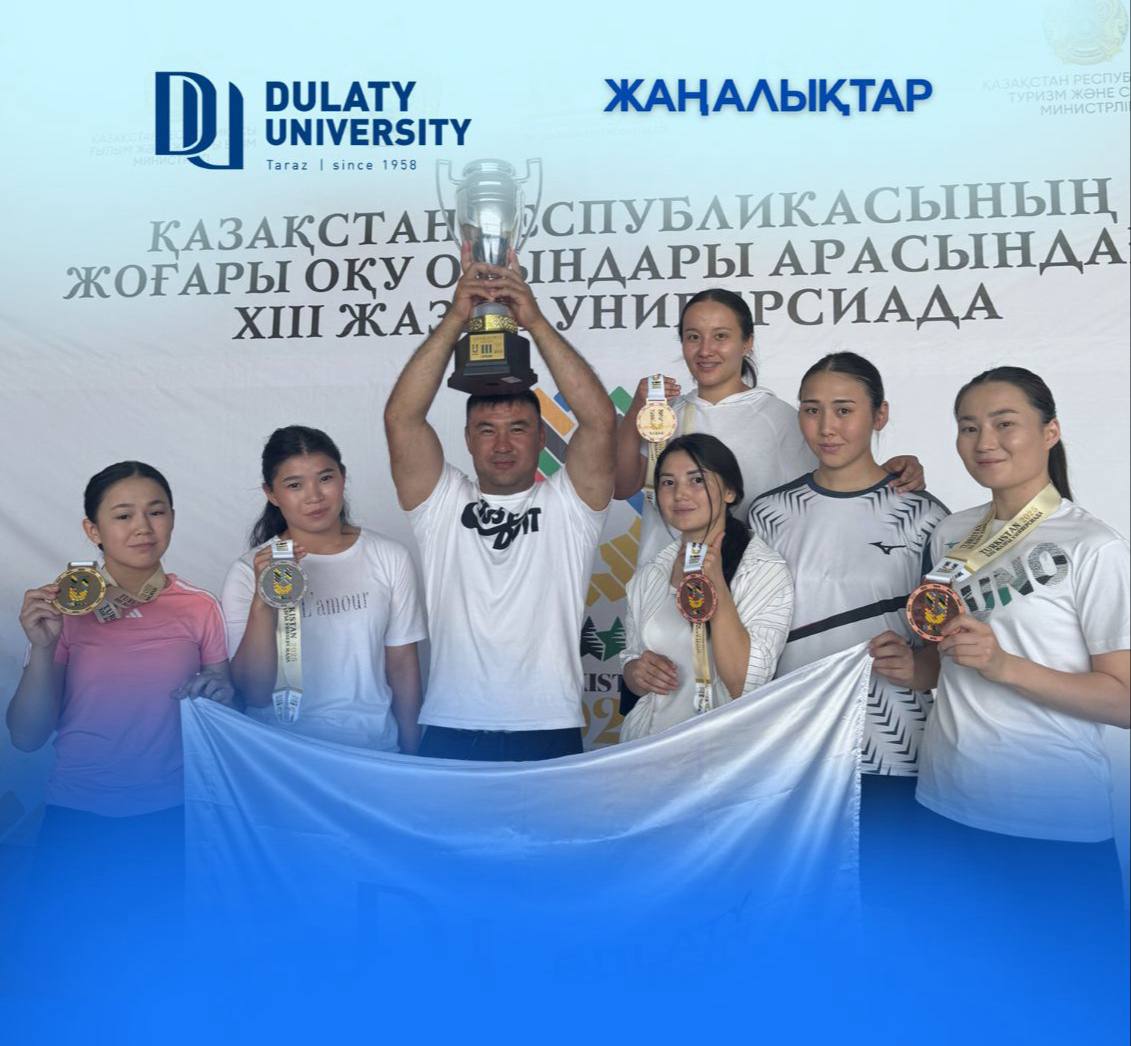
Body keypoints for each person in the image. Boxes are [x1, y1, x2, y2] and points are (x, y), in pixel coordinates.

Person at [893, 367, 1129, 949]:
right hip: (945, 799)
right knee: (949, 988)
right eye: (969, 427)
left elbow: (1124, 702)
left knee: (1063, 994)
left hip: (1048, 816)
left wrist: (1005, 666)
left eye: (1004, 424)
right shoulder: (950, 534)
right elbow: (949, 665)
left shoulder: (1093, 546)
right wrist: (913, 668)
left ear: (1050, 432)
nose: (985, 442)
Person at [384, 245, 615, 762]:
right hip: (451, 724)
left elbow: (600, 421)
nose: (503, 444)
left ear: (542, 439)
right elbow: (402, 418)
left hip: (548, 726)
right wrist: (456, 318)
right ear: (467, 438)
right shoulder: (440, 504)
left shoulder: (571, 506)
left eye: (519, 429)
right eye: (487, 430)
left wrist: (533, 321)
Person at [7, 461, 233, 983]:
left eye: (156, 512)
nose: (143, 527)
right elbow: (26, 736)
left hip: (171, 813)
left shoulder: (200, 607)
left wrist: (220, 696)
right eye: (123, 515)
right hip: (77, 815)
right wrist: (42, 648)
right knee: (61, 980)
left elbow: (225, 709)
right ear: (93, 529)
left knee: (156, 977)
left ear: (172, 517)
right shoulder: (64, 608)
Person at [746, 353, 948, 907]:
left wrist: (920, 667)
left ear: (880, 415)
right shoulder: (768, 514)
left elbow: (949, 642)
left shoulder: (926, 516)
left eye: (844, 410)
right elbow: (749, 634)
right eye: (812, 410)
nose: (826, 427)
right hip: (792, 739)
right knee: (797, 903)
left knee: (891, 904)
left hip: (891, 740)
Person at [614, 288, 926, 571]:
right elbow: (622, 487)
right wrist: (635, 413)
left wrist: (890, 474)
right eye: (693, 337)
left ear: (747, 342)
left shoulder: (781, 419)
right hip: (661, 579)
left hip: (748, 588)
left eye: (721, 336)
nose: (705, 350)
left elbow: (835, 485)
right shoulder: (662, 415)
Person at [221, 426, 425, 753]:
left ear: (343, 477)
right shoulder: (247, 571)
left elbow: (402, 666)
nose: (314, 496)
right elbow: (254, 693)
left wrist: (413, 756)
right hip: (280, 755)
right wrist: (264, 600)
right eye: (294, 485)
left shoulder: (390, 557)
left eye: (325, 478)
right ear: (271, 494)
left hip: (373, 749)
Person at [619, 434, 792, 741]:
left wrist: (718, 587)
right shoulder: (651, 573)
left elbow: (745, 685)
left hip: (722, 753)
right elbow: (631, 662)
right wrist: (636, 673)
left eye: (696, 480)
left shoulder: (764, 570)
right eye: (668, 482)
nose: (680, 494)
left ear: (729, 491)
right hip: (648, 748)